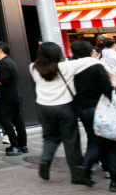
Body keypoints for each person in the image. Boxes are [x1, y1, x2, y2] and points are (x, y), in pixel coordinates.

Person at [30, 42, 99, 185]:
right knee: (71, 141)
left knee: (50, 138)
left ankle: (45, 161)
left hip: (44, 107)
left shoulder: (33, 67)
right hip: (65, 107)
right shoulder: (66, 66)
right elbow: (90, 61)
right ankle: (77, 175)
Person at [66, 40, 116, 192]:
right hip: (99, 107)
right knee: (112, 141)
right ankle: (111, 177)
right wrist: (112, 87)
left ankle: (88, 165)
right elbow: (106, 88)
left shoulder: (70, 67)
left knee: (95, 138)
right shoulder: (95, 65)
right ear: (89, 51)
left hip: (81, 108)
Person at [0, 41, 28, 156]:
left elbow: (4, 79)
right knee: (18, 121)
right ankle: (23, 145)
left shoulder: (3, 63)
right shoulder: (11, 61)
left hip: (7, 97)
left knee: (4, 119)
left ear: (0, 50)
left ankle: (15, 145)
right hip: (15, 96)